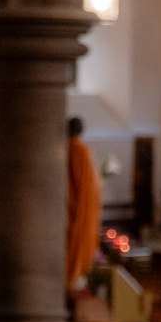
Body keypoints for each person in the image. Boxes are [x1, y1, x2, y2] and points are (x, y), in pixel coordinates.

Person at [65, 115, 103, 293]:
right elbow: (88, 185)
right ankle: (73, 277)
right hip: (80, 209)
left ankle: (73, 277)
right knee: (77, 243)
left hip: (76, 207)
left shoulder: (71, 149)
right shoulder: (80, 150)